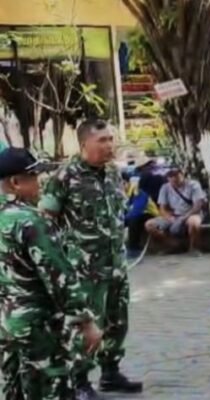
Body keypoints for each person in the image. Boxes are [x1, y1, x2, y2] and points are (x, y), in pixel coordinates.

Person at [39, 119, 142, 398]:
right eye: (102, 140)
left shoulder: (112, 173)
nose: (109, 145)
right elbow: (46, 221)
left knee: (117, 321)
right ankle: (80, 380)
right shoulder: (64, 177)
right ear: (84, 144)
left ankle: (110, 371)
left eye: (110, 139)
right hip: (84, 270)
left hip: (116, 265)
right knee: (85, 325)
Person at [0, 148, 103, 399]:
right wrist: (85, 321)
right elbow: (59, 276)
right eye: (34, 176)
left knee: (14, 389)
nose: (41, 182)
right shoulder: (31, 221)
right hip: (39, 326)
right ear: (15, 183)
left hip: (6, 324)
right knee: (51, 388)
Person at [145, 168, 206, 254]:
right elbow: (162, 208)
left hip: (191, 213)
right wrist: (169, 217)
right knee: (149, 225)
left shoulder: (193, 185)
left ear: (182, 174)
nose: (173, 178)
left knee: (194, 222)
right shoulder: (165, 187)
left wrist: (184, 218)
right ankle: (173, 245)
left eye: (176, 175)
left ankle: (194, 247)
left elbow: (197, 206)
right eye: (170, 176)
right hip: (174, 215)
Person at [124, 159, 161, 259]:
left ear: (125, 182)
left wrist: (122, 219)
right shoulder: (122, 194)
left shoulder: (138, 191)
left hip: (149, 213)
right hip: (135, 213)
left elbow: (136, 210)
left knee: (134, 220)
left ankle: (134, 249)